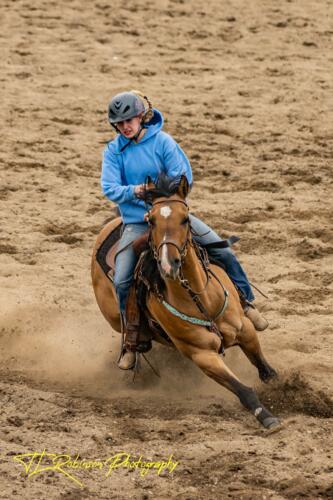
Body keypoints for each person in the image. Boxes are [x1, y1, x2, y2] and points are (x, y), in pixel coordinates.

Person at [101, 90, 268, 369]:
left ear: (141, 117)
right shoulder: (113, 151)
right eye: (119, 124)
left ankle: (246, 303)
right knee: (121, 279)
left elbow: (183, 176)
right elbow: (109, 188)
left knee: (221, 249)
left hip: (173, 217)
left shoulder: (163, 142)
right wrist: (137, 190)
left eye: (129, 120)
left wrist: (160, 195)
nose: (125, 127)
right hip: (136, 222)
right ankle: (131, 338)